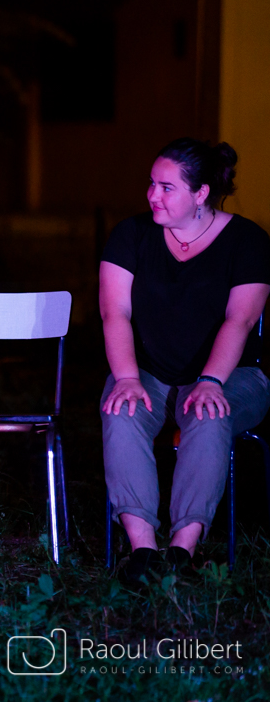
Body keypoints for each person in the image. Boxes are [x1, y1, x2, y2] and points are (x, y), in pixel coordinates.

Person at [100, 138, 270, 584]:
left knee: (208, 414)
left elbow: (240, 318)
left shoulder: (247, 241)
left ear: (200, 194)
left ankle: (182, 550)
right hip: (151, 373)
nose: (152, 195)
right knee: (122, 409)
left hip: (232, 374)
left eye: (167, 187)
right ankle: (143, 551)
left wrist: (212, 380)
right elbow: (113, 312)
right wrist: (127, 378)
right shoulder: (131, 235)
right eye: (151, 184)